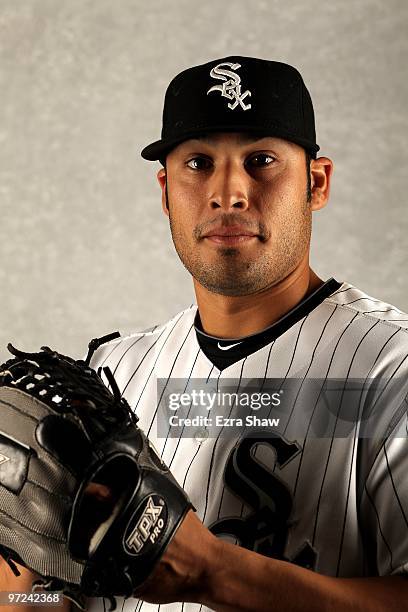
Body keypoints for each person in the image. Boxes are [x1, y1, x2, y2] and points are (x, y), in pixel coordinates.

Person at [2, 55, 408, 611]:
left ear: (316, 183)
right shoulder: (114, 372)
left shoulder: (390, 366)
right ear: (165, 190)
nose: (228, 192)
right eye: (198, 162)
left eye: (261, 159)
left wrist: (211, 574)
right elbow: (49, 600)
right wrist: (28, 592)